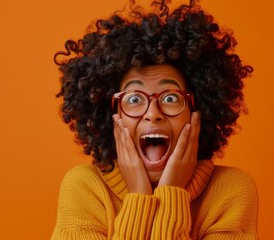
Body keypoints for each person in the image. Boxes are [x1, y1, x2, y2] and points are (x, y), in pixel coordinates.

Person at [51, 0, 258, 239]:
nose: (153, 113)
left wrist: (171, 192)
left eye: (170, 98)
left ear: (196, 112)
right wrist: (140, 195)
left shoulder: (230, 190)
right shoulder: (84, 188)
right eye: (133, 99)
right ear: (112, 117)